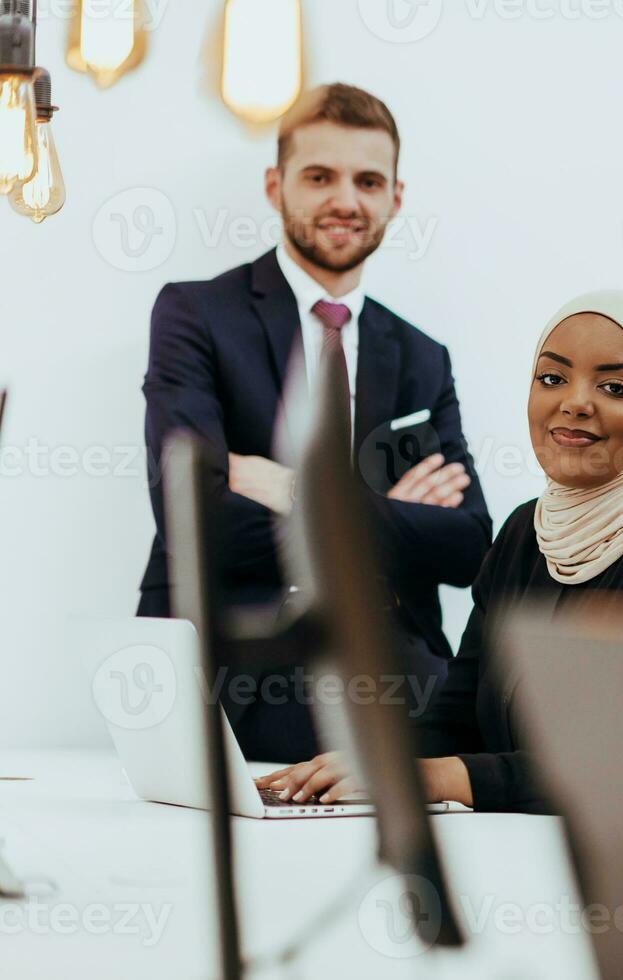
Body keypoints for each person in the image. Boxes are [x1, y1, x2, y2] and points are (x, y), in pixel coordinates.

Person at [257, 290, 623, 812]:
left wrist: (439, 778)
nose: (574, 402)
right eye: (552, 378)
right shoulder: (528, 531)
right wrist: (370, 761)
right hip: (519, 853)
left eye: (614, 387)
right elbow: (457, 716)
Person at [138, 84, 492, 762]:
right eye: (320, 176)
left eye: (368, 180)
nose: (346, 201)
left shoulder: (422, 356)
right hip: (229, 675)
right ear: (276, 186)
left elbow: (469, 544)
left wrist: (293, 491)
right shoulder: (196, 316)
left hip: (401, 682)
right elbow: (194, 516)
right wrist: (387, 515)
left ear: (395, 198)